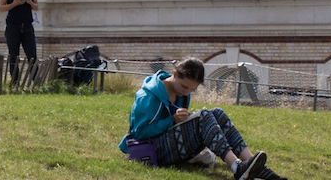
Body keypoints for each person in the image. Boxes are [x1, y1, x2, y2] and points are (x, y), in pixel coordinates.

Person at [120, 58, 282, 180]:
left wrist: (184, 120)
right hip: (150, 151)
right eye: (184, 87)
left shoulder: (181, 93)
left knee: (217, 113)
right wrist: (173, 120)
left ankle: (252, 164)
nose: (186, 93)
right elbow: (139, 133)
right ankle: (236, 167)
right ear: (175, 74)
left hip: (168, 144)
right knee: (204, 116)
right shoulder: (147, 96)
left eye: (192, 90)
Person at [0, 0, 39, 82]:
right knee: (14, 55)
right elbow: (1, 7)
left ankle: (35, 81)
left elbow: (36, 7)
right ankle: (15, 82)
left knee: (32, 55)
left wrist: (29, 2)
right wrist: (15, 3)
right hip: (13, 26)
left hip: (27, 26)